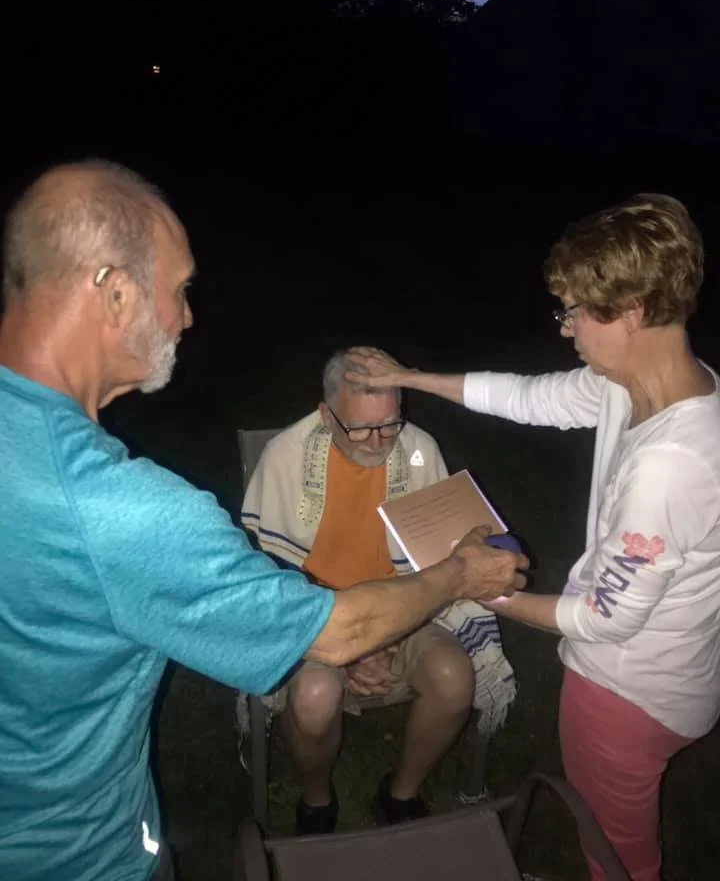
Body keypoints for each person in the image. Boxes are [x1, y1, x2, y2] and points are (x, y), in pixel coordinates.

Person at [0, 161, 528, 881]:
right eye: (180, 290)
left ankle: (397, 793)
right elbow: (330, 629)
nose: (188, 317)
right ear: (115, 293)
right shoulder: (123, 514)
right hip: (68, 855)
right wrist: (464, 570)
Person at [344, 193, 720, 881]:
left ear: (630, 312)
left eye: (576, 310)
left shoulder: (671, 464)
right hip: (676, 672)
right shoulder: (638, 386)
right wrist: (408, 378)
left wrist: (476, 585)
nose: (567, 328)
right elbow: (526, 396)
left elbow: (600, 620)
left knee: (617, 856)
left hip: (626, 694)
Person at [240, 348, 516, 833]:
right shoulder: (285, 454)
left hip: (402, 608)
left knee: (454, 677)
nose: (379, 442)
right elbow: (272, 573)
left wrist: (387, 636)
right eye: (361, 428)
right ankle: (318, 800)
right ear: (326, 415)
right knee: (315, 694)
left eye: (390, 424)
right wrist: (349, 650)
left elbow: (436, 561)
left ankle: (400, 793)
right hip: (319, 615)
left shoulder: (418, 449)